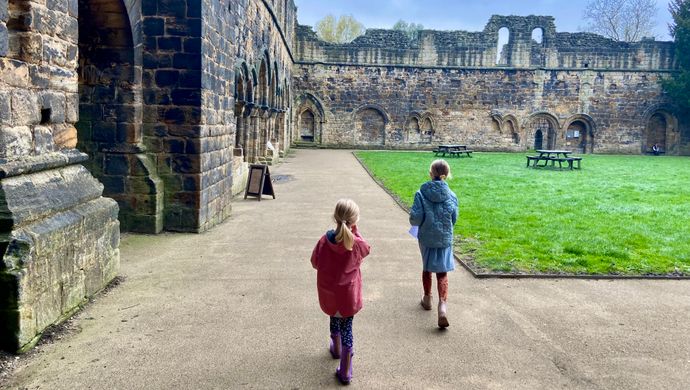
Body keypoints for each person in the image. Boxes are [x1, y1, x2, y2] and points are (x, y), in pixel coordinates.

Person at [311, 199, 371, 384]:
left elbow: (314, 262)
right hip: (347, 295)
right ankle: (345, 370)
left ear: (335, 218)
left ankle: (335, 349)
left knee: (333, 318)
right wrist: (356, 231)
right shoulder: (356, 243)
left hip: (329, 293)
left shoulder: (324, 240)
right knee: (347, 328)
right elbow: (367, 250)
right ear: (354, 222)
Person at [409, 159, 458, 328]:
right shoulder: (452, 195)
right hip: (444, 238)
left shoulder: (421, 194)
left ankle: (427, 298)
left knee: (427, 267)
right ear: (447, 174)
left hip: (427, 237)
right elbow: (454, 218)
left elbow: (415, 218)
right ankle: (442, 306)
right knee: (442, 272)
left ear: (431, 174)